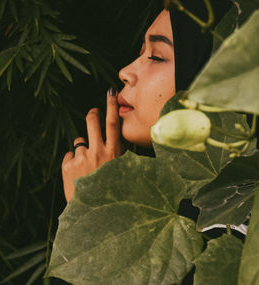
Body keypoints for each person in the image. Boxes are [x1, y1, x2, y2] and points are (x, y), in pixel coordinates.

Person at [61, 0, 232, 203]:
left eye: (156, 57)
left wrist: (95, 203)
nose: (125, 73)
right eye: (141, 53)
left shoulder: (233, 220)